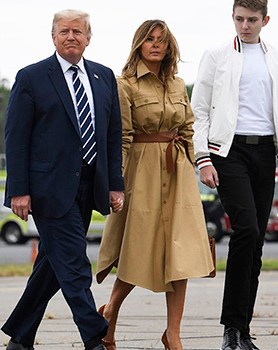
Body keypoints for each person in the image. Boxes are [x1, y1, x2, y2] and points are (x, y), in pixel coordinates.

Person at [1, 9, 124, 350]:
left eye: (78, 31)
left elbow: (112, 136)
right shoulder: (32, 77)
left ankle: (20, 337)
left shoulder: (103, 77)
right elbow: (16, 139)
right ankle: (94, 335)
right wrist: (19, 191)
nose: (71, 36)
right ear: (53, 37)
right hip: (47, 189)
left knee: (52, 265)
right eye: (64, 31)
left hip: (89, 186)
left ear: (88, 37)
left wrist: (115, 184)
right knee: (73, 262)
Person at [95, 19, 214, 350]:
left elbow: (188, 126)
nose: (156, 44)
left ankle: (172, 333)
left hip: (177, 174)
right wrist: (115, 181)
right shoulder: (125, 85)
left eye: (161, 39)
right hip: (142, 172)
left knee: (183, 253)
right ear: (139, 44)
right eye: (149, 39)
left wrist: (198, 165)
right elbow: (121, 137)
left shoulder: (177, 83)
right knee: (139, 251)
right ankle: (111, 314)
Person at [191, 1, 278, 349]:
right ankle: (230, 330)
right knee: (247, 229)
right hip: (229, 151)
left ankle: (243, 330)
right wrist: (203, 158)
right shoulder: (217, 55)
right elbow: (199, 111)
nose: (245, 26)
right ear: (233, 18)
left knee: (255, 243)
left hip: (266, 151)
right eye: (239, 19)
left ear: (265, 20)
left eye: (252, 20)